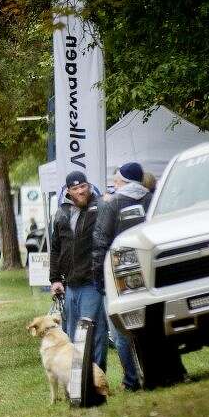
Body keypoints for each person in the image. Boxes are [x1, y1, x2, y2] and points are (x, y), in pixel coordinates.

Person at [93, 162, 154, 391]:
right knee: (148, 326)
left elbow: (100, 242)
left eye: (117, 181)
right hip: (149, 273)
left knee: (121, 331)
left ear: (125, 181)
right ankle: (155, 372)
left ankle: (131, 380)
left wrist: (99, 278)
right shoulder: (153, 200)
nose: (114, 185)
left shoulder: (113, 204)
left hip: (118, 277)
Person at [50, 170, 107, 371]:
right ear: (69, 191)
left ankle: (97, 376)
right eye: (76, 188)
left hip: (93, 280)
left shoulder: (100, 207)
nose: (81, 191)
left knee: (93, 330)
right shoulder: (62, 213)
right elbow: (56, 248)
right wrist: (55, 279)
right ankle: (78, 380)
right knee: (73, 334)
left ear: (89, 186)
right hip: (69, 284)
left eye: (83, 186)